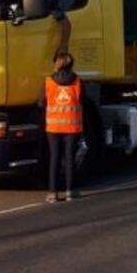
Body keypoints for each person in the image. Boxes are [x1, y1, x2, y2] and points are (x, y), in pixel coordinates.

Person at [42, 52, 83, 202]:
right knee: (70, 158)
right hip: (72, 126)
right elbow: (82, 100)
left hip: (53, 127)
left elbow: (41, 102)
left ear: (57, 64)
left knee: (54, 158)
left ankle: (52, 193)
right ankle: (70, 191)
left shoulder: (48, 81)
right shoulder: (77, 81)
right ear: (71, 65)